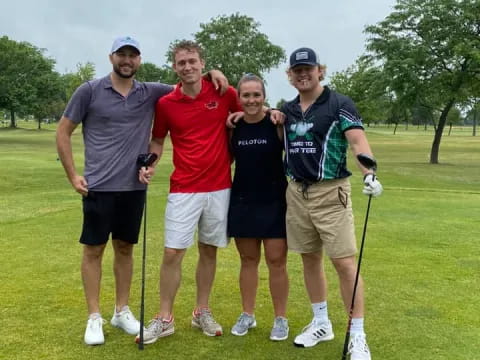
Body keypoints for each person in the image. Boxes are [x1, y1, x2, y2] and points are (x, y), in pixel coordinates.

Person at [56, 36, 227, 346]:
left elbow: (190, 83)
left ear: (139, 60)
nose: (127, 60)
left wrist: (213, 72)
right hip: (98, 185)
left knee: (124, 249)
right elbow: (63, 130)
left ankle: (121, 311)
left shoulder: (151, 92)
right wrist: (72, 175)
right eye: (121, 54)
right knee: (93, 250)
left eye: (132, 55)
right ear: (111, 57)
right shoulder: (89, 91)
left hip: (134, 187)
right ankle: (94, 316)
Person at [136, 40, 243, 344]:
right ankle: (165, 317)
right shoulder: (167, 103)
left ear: (201, 63)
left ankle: (201, 311)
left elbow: (249, 115)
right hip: (183, 186)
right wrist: (150, 162)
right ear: (175, 67)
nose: (187, 67)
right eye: (181, 62)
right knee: (173, 252)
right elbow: (157, 140)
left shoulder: (225, 93)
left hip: (220, 185)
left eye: (192, 61)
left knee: (209, 250)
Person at [281, 47, 383, 360]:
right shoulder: (286, 109)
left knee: (344, 262)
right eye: (297, 70)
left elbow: (357, 141)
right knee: (309, 259)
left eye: (308, 69)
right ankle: (321, 322)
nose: (303, 74)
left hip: (331, 192)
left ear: (320, 71)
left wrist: (369, 172)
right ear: (290, 76)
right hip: (297, 193)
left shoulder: (339, 103)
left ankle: (357, 334)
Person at [227, 74, 289, 341]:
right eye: (246, 95)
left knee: (277, 261)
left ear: (264, 96)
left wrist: (275, 112)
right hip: (242, 200)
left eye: (256, 95)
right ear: (239, 98)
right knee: (248, 260)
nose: (251, 100)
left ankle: (280, 319)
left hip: (274, 199)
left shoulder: (277, 123)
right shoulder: (233, 126)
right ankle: (248, 315)